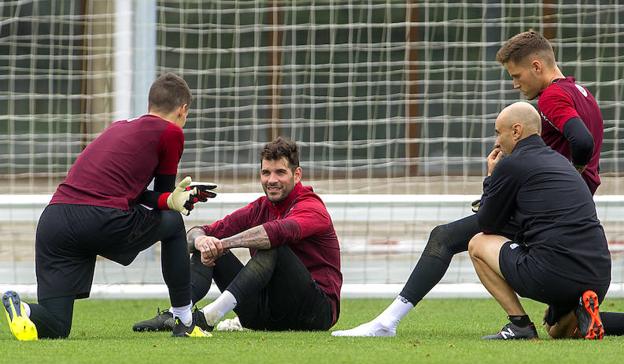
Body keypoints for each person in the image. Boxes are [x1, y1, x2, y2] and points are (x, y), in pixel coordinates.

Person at [332, 30, 621, 338]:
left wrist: (563, 173)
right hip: (574, 213)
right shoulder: (582, 92)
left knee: (446, 237)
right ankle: (582, 314)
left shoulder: (552, 96)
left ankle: (387, 323)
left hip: (542, 210)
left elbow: (582, 141)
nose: (515, 84)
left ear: (537, 66)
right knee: (559, 329)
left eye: (517, 75)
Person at [1, 73, 215, 340]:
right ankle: (183, 319)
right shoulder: (171, 132)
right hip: (98, 218)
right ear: (183, 110)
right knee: (173, 224)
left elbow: (129, 192)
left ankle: (23, 310)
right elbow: (163, 201)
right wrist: (172, 200)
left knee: (56, 324)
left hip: (54, 220)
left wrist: (170, 199)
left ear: (150, 104)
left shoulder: (118, 127)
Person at [132, 137, 342, 332]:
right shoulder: (259, 207)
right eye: (266, 172)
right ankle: (179, 314)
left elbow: (276, 232)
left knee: (273, 247)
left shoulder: (312, 207)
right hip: (265, 314)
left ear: (297, 175)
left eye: (280, 172)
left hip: (315, 313)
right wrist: (203, 241)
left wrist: (222, 244)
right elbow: (197, 233)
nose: (271, 180)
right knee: (206, 245)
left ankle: (207, 318)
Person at [468, 101, 610, 340]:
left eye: (498, 133)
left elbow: (487, 224)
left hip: (553, 273)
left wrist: (490, 178)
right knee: (556, 332)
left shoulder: (512, 165)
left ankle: (519, 325)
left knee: (477, 244)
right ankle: (584, 311)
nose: (496, 142)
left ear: (516, 131)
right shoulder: (562, 163)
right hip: (598, 275)